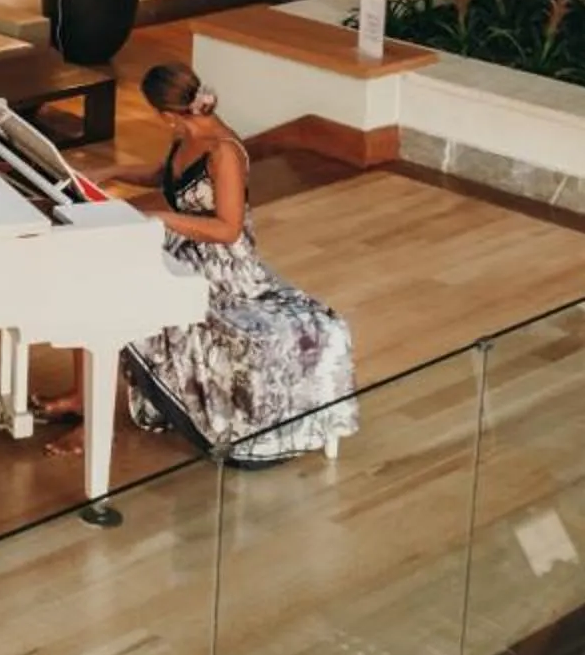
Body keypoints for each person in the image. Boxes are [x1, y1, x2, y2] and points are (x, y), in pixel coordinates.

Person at [42, 61, 361, 464]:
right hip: (184, 244)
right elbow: (166, 175)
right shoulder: (188, 132)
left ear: (166, 115)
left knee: (113, 294)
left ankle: (97, 424)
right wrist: (113, 171)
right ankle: (81, 396)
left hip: (222, 269)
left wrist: (161, 219)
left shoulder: (223, 152)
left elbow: (228, 229)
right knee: (94, 274)